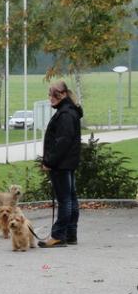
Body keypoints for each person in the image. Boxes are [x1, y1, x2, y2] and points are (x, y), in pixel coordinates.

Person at [38, 81, 83, 248]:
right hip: (68, 163)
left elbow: (62, 142)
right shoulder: (69, 111)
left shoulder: (65, 114)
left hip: (61, 164)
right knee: (71, 198)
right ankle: (71, 234)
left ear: (63, 95)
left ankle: (58, 236)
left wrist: (49, 161)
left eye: (53, 95)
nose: (50, 99)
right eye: (49, 95)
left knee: (65, 200)